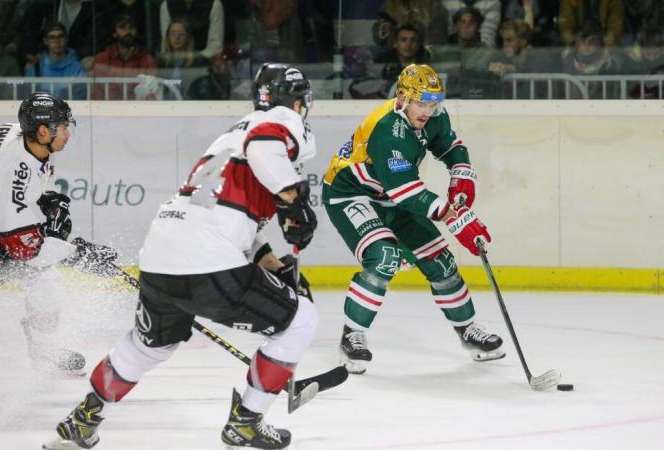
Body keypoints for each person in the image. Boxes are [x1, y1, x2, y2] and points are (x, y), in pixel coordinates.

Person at [46, 63, 319, 450]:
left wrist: (272, 264)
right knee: (300, 320)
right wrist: (292, 198)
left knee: (149, 345)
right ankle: (247, 421)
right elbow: (265, 144)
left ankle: (84, 418)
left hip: (161, 255)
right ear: (295, 100)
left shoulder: (229, 138)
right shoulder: (277, 120)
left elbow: (238, 222)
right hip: (206, 259)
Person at [323, 64, 505, 375]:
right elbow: (406, 192)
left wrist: (461, 175)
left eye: (434, 103)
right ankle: (351, 335)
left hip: (391, 196)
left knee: (442, 261)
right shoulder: (387, 130)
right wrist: (454, 217)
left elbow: (450, 145)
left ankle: (467, 331)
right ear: (404, 97)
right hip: (353, 195)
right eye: (422, 102)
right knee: (384, 258)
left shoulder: (433, 116)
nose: (428, 110)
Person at [0, 92, 117, 374]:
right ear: (44, 130)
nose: (68, 133)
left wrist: (46, 200)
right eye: (63, 126)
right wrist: (79, 254)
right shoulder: (9, 174)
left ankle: (43, 350)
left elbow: (20, 197)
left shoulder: (19, 137)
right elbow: (23, 250)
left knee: (47, 282)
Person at [90, 14, 157, 100]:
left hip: (138, 111)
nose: (128, 32)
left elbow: (152, 96)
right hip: (108, 111)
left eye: (131, 28)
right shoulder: (101, 60)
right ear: (114, 33)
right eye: (122, 28)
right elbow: (95, 96)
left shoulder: (147, 60)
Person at [24, 22, 86, 100]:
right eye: (52, 37)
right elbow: (27, 99)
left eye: (61, 36)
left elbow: (80, 100)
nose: (57, 41)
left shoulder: (78, 68)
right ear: (45, 41)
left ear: (66, 39)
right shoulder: (36, 69)